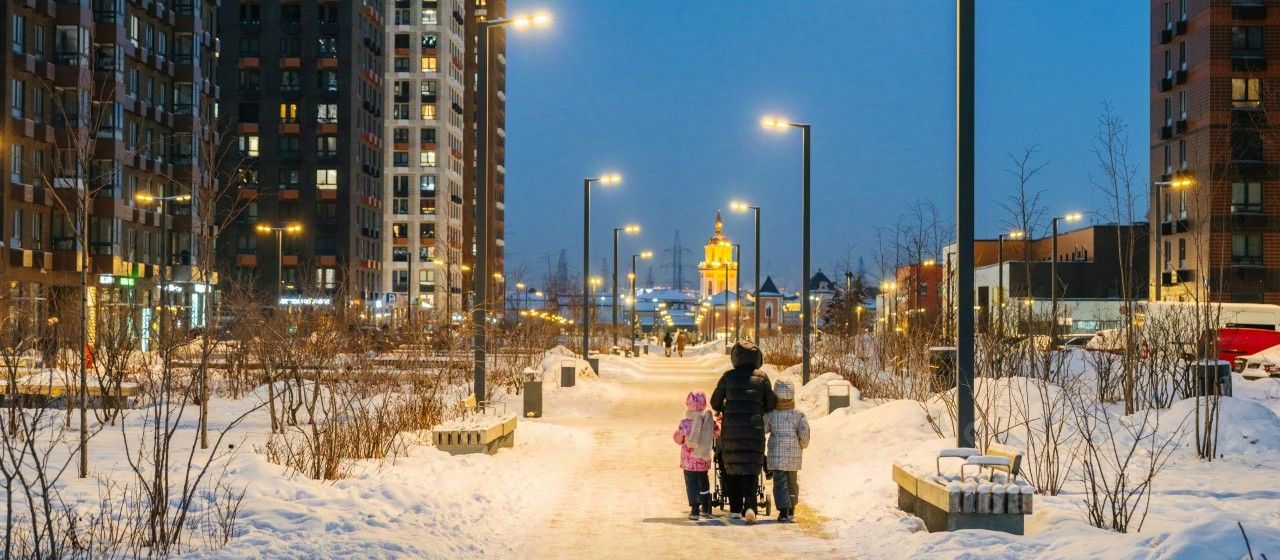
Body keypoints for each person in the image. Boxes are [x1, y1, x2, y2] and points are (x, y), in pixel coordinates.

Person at [710, 341, 776, 524]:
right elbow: (771, 403)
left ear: (735, 357)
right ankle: (750, 507)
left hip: (731, 431)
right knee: (752, 468)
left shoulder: (728, 377)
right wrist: (758, 408)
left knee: (732, 468)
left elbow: (715, 402)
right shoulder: (762, 378)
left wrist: (725, 407)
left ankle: (735, 509)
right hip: (754, 429)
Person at [764, 379, 810, 523]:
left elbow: (764, 428)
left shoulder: (771, 414)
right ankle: (791, 509)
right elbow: (804, 434)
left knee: (780, 484)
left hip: (776, 456)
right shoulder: (798, 415)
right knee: (792, 483)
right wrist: (802, 445)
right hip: (793, 456)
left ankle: (783, 511)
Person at [673, 391, 717, 520]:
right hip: (703, 459)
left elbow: (679, 440)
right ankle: (706, 507)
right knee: (703, 481)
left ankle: (695, 509)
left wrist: (678, 436)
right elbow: (716, 433)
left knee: (691, 483)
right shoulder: (708, 421)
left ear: (688, 404)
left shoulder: (685, 423)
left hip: (689, 461)